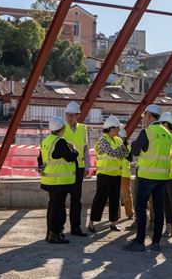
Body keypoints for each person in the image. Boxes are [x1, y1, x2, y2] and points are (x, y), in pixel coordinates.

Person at [123, 104, 172, 252]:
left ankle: (139, 241)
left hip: (146, 176)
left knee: (141, 208)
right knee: (158, 209)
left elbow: (136, 151)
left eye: (145, 116)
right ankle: (156, 242)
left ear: (150, 115)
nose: (143, 119)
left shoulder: (148, 132)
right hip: (162, 177)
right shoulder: (168, 133)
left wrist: (132, 145)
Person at [38, 116, 78, 244]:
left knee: (52, 207)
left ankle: (50, 232)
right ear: (63, 128)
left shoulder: (47, 141)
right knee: (58, 209)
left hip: (49, 180)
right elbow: (70, 157)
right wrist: (75, 149)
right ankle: (55, 234)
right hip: (59, 182)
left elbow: (40, 159)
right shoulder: (60, 142)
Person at [88, 116, 129, 233]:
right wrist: (119, 151)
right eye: (117, 128)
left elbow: (125, 153)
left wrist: (120, 151)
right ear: (110, 128)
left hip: (116, 174)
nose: (118, 131)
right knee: (100, 199)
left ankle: (113, 223)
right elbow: (115, 153)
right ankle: (91, 223)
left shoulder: (118, 140)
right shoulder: (102, 141)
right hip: (104, 174)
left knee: (115, 199)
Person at [62, 101, 89, 237]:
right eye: (68, 115)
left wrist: (88, 165)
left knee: (76, 199)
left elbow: (85, 148)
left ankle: (76, 227)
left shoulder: (83, 128)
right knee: (61, 199)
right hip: (65, 169)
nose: (70, 118)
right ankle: (59, 228)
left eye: (73, 115)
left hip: (79, 168)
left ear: (78, 115)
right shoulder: (61, 128)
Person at [118, 128, 134, 220]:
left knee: (127, 195)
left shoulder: (128, 147)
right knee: (115, 196)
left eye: (122, 137)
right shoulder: (113, 145)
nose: (121, 139)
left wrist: (123, 151)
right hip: (115, 173)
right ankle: (116, 214)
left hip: (125, 173)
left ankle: (130, 213)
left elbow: (130, 158)